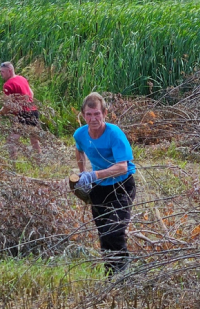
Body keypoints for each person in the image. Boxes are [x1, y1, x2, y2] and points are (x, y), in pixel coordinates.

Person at [73, 92, 136, 275]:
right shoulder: (80, 134)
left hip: (122, 187)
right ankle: (110, 276)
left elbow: (122, 167)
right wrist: (82, 173)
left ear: (105, 113)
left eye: (97, 114)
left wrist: (93, 175)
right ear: (83, 115)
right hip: (99, 189)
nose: (93, 119)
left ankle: (123, 275)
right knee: (103, 234)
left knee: (114, 231)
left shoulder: (114, 134)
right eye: (89, 114)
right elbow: (79, 150)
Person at [0, 61, 42, 159]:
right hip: (33, 111)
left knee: (11, 140)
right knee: (34, 138)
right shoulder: (22, 79)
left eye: (2, 72)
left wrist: (0, 113)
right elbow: (31, 94)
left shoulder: (7, 85)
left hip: (23, 114)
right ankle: (40, 161)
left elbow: (8, 105)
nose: (1, 74)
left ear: (10, 71)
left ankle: (13, 163)